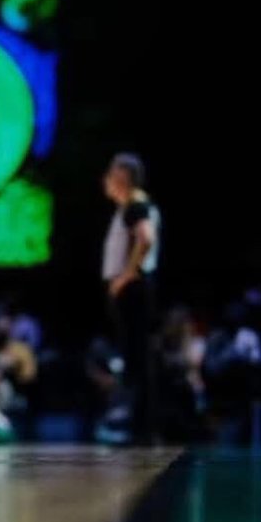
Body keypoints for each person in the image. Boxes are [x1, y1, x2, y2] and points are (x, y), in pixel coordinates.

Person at [100, 153, 161, 442]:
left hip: (133, 288)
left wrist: (125, 276)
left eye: (112, 173)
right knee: (136, 355)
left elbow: (145, 239)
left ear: (123, 176)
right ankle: (140, 425)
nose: (107, 179)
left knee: (138, 356)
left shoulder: (135, 205)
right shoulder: (132, 205)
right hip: (133, 288)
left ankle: (142, 428)